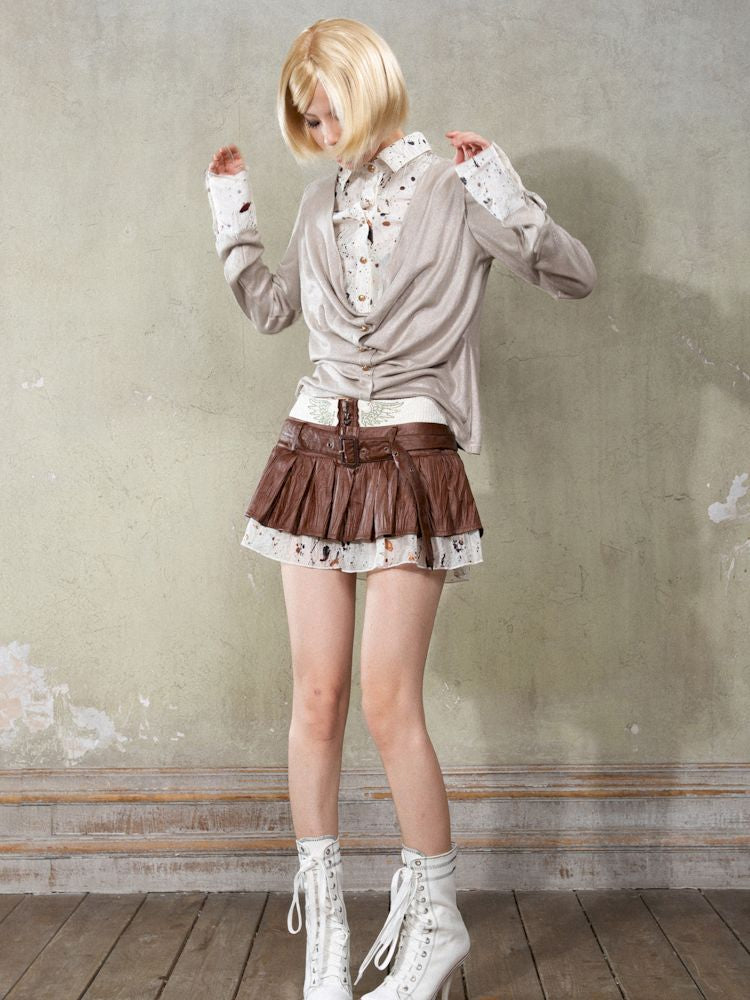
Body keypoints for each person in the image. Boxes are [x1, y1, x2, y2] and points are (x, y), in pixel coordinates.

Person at [205, 16, 596, 1000]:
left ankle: (434, 921)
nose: (320, 125)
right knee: (317, 697)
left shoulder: (457, 189)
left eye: (326, 102)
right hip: (312, 452)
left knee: (387, 698)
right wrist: (232, 216)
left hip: (410, 456)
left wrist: (506, 190)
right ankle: (327, 939)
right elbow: (272, 308)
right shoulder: (319, 201)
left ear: (366, 81)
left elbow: (574, 275)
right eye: (306, 115)